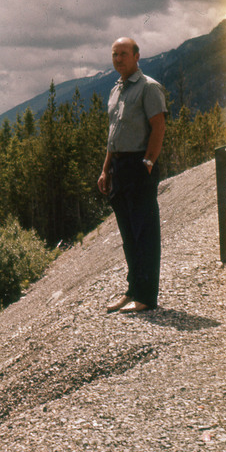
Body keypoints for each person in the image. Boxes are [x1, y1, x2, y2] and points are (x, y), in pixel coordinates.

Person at [97, 37, 167, 313]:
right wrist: (105, 170)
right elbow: (113, 136)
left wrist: (148, 161)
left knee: (144, 233)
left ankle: (146, 297)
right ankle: (133, 290)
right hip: (118, 167)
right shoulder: (116, 91)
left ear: (137, 56)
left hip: (138, 166)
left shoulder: (149, 88)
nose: (118, 59)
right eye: (114, 54)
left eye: (124, 54)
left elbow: (158, 127)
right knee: (128, 234)